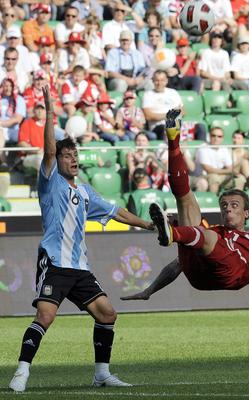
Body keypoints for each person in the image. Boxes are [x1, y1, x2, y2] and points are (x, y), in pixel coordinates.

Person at [8, 86, 154, 393]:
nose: (72, 158)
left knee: (107, 314)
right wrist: (50, 112)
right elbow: (48, 151)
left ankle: (102, 374)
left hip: (79, 267)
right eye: (67, 155)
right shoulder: (50, 182)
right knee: (45, 316)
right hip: (55, 261)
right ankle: (21, 372)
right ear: (58, 161)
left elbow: (119, 212)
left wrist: (148, 225)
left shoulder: (86, 192)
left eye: (75, 154)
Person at [121, 108, 249, 353]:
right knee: (184, 197)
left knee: (200, 232)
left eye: (234, 206)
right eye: (224, 205)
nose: (228, 210)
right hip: (201, 272)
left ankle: (173, 233)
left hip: (229, 274)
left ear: (246, 212)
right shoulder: (216, 232)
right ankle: (173, 138)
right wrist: (150, 290)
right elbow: (177, 265)